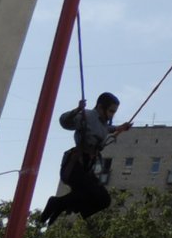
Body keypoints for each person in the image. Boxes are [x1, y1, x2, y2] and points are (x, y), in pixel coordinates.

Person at [38, 91, 132, 225]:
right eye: (111, 111)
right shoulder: (86, 116)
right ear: (100, 107)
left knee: (104, 200)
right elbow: (64, 121)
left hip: (86, 167)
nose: (112, 115)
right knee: (88, 191)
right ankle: (57, 203)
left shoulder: (102, 123)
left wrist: (120, 128)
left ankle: (62, 205)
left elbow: (105, 128)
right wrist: (77, 110)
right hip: (75, 165)